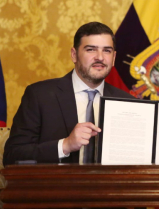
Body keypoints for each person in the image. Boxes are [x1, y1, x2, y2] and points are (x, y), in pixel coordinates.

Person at [4, 22, 133, 165]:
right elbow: (12, 156)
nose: (100, 57)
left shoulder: (127, 102)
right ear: (74, 55)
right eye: (91, 49)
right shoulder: (39, 95)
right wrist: (65, 145)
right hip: (56, 186)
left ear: (114, 57)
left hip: (110, 186)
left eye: (107, 51)